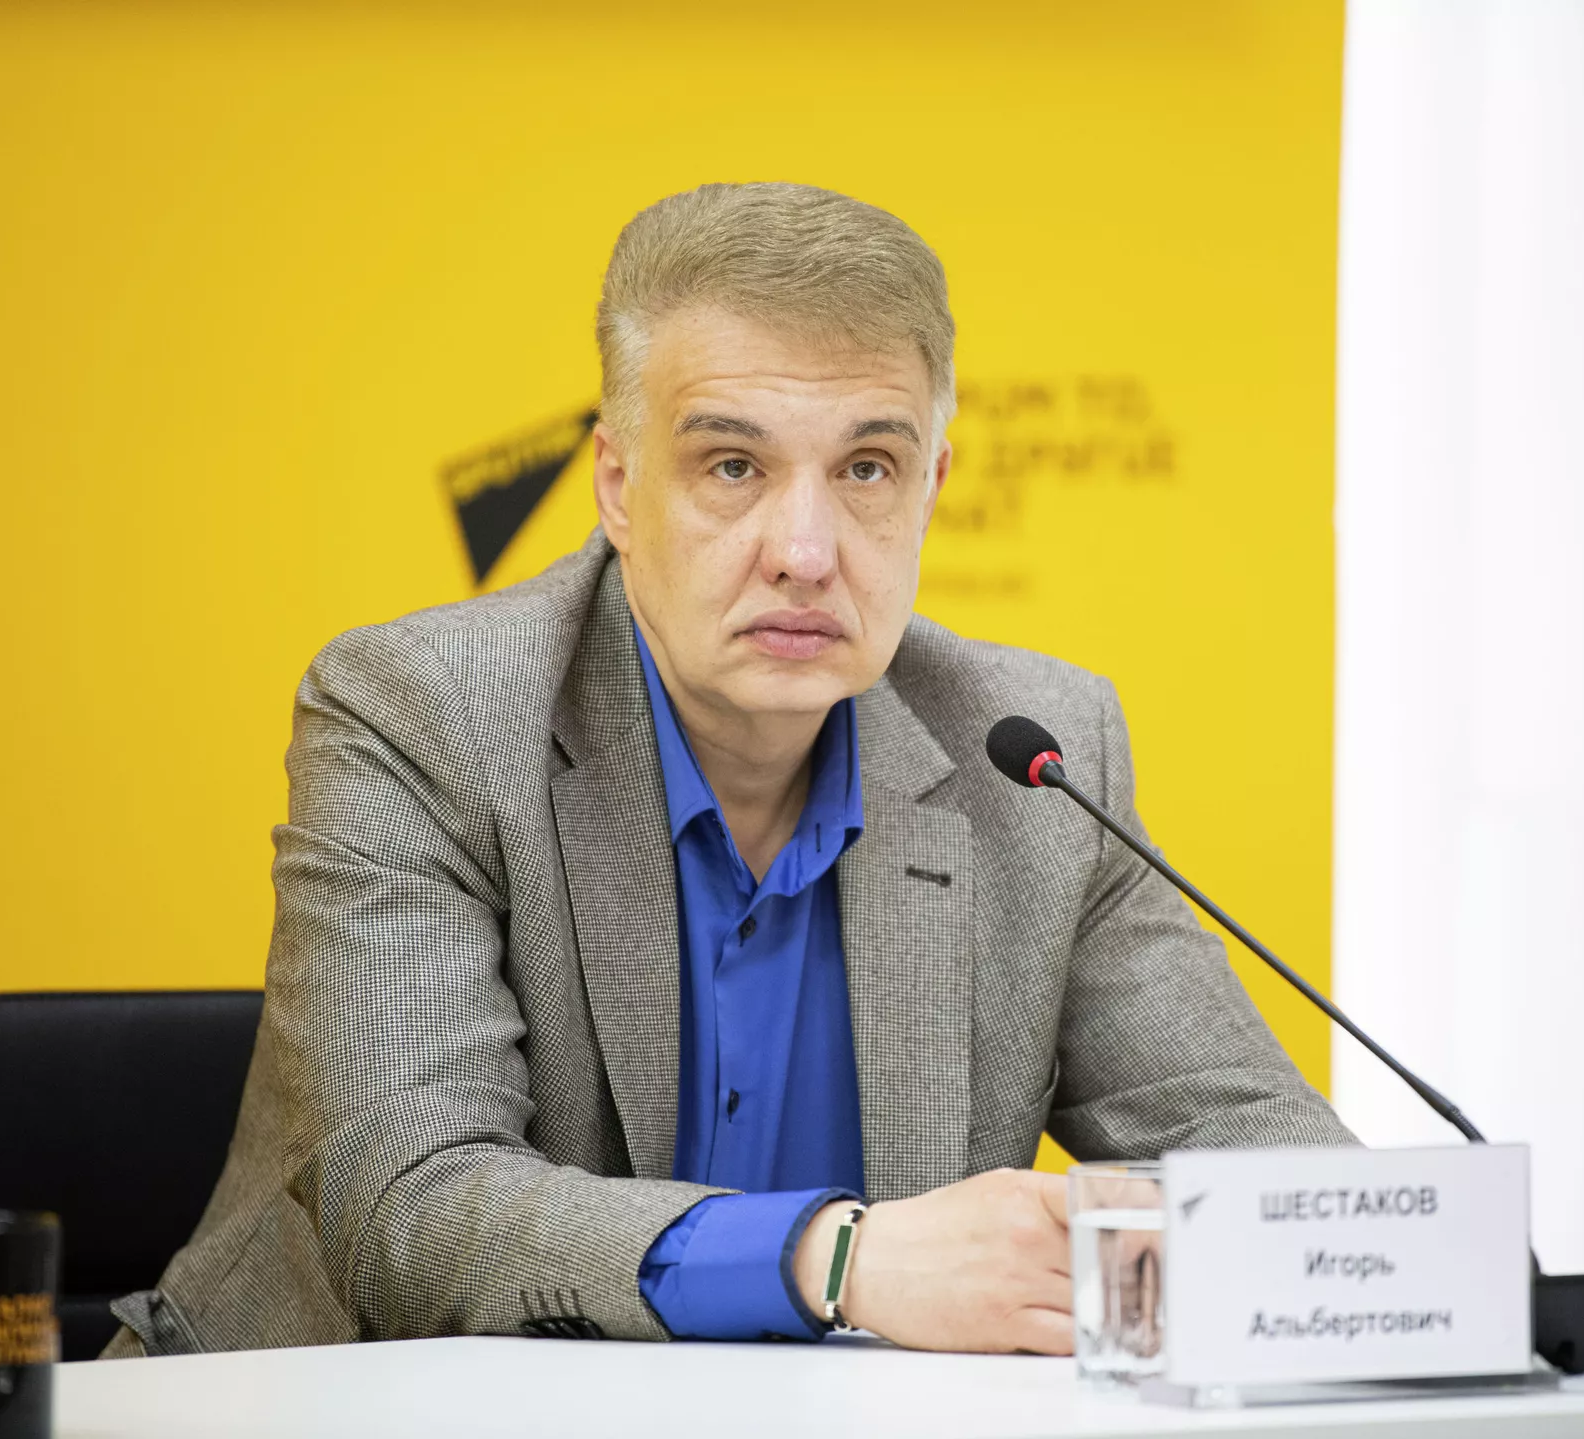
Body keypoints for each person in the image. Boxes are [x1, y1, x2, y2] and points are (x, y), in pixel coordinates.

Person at [103, 182, 1350, 1361]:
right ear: (618, 486)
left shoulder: (1033, 758)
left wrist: (1387, 1263)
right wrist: (838, 1257)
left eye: (867, 468)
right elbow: (414, 1213)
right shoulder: (425, 713)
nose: (805, 550)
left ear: (931, 488)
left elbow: (1262, 1159)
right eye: (733, 466)